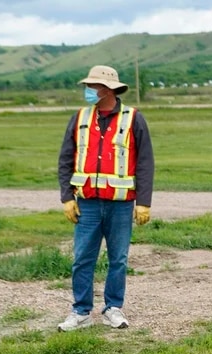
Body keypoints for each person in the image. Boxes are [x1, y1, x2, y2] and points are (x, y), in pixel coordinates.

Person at [56, 65, 155, 331]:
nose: (88, 91)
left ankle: (113, 307)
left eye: (93, 86)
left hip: (120, 205)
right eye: (88, 86)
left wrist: (143, 201)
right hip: (86, 203)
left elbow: (145, 162)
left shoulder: (133, 118)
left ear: (108, 89)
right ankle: (80, 312)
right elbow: (66, 159)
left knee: (118, 259)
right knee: (82, 258)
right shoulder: (79, 118)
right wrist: (67, 197)